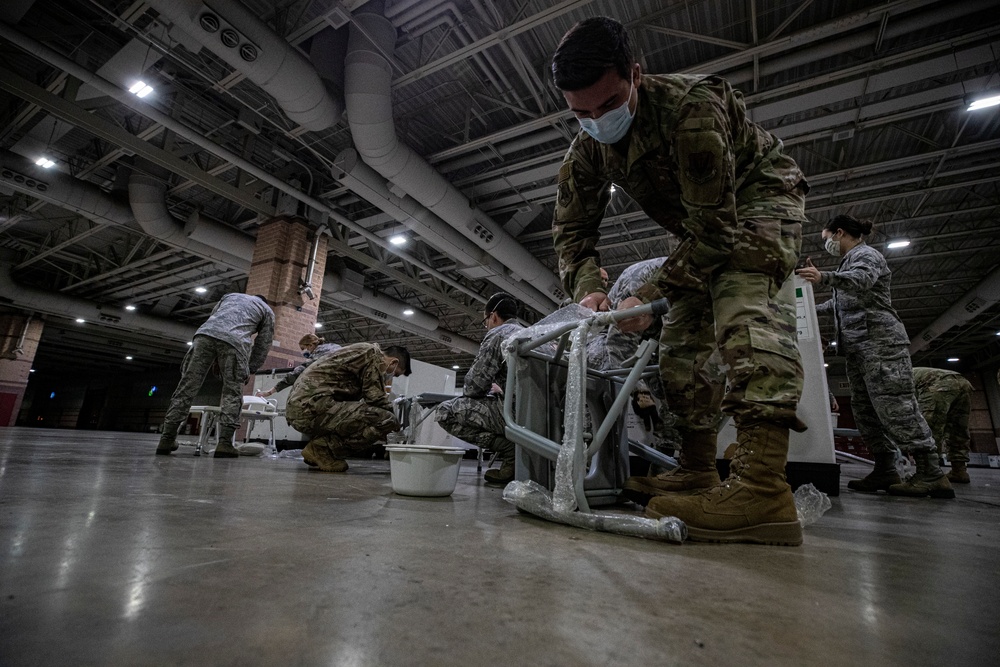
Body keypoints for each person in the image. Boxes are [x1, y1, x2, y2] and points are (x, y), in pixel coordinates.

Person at [550, 17, 809, 544]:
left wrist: (647, 295)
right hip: (700, 228)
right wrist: (587, 290)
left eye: (609, 103)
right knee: (680, 349)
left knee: (742, 310)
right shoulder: (587, 149)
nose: (597, 120)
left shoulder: (692, 111)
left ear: (636, 76)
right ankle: (697, 468)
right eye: (582, 113)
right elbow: (573, 232)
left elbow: (717, 234)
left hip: (758, 203)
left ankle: (764, 490)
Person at [796, 215, 954, 498]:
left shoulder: (866, 255)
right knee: (866, 412)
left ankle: (931, 473)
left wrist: (824, 278)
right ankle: (885, 468)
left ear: (839, 232)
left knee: (897, 407)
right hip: (858, 349)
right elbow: (842, 301)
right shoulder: (848, 261)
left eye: (826, 238)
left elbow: (861, 281)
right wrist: (807, 305)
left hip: (881, 345)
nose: (826, 245)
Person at [156, 293, 274, 458]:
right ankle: (224, 444)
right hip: (235, 342)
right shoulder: (266, 310)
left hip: (204, 335)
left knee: (186, 387)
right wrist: (251, 368)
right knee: (232, 392)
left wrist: (217, 359)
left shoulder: (229, 296)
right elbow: (264, 343)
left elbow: (215, 319)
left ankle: (166, 438)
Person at [436, 292, 524, 484]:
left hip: (519, 416)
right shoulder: (536, 333)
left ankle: (510, 449)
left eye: (486, 321)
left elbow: (472, 387)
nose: (487, 326)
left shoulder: (499, 334)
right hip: (549, 417)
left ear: (493, 316)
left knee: (445, 411)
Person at [285, 342, 410, 472]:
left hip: (305, 407)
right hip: (310, 408)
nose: (391, 377)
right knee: (386, 420)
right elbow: (375, 398)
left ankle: (319, 450)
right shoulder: (373, 354)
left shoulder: (363, 352)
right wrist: (396, 428)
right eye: (395, 374)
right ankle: (321, 450)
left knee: (366, 415)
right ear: (394, 363)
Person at [913, 367, 973, 484]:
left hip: (938, 384)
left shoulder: (891, 379)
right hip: (963, 382)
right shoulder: (908, 370)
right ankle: (959, 471)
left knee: (929, 430)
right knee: (958, 429)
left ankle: (930, 473)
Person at [256, 333, 342, 398]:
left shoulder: (318, 354)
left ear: (311, 345)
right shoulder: (335, 346)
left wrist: (271, 391)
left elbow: (297, 373)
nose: (303, 352)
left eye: (303, 348)